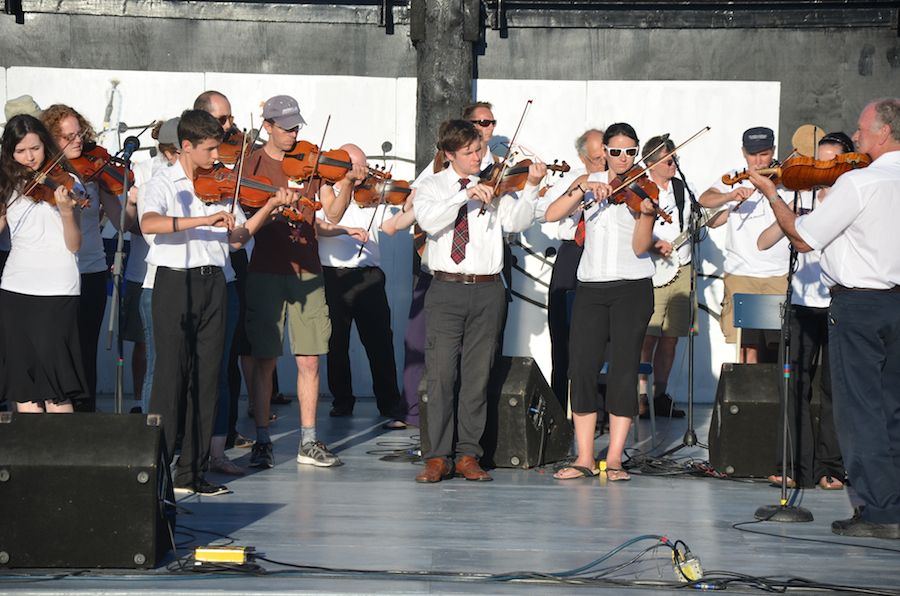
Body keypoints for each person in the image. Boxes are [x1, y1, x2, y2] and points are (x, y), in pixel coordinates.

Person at [752, 98, 900, 538]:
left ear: (884, 133)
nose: (856, 136)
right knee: (892, 411)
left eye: (862, 129)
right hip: (895, 303)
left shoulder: (860, 181)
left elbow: (803, 239)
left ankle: (881, 512)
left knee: (860, 413)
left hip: (860, 305)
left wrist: (773, 195)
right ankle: (891, 505)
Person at [140, 109, 292, 495]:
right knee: (170, 379)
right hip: (174, 283)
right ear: (186, 146)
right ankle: (156, 473)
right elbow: (149, 224)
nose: (215, 157)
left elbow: (236, 239)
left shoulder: (222, 184)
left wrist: (268, 209)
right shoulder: (162, 182)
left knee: (209, 378)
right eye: (209, 150)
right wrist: (203, 221)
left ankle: (191, 473)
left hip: (216, 283)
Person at [412, 119, 544, 483]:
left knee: (478, 375)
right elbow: (428, 221)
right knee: (441, 375)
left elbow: (517, 222)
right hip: (446, 288)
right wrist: (464, 195)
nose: (478, 156)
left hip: (488, 289)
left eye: (479, 148)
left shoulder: (495, 183)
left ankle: (468, 454)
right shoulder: (432, 186)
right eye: (469, 152)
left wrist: (531, 188)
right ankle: (438, 457)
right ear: (449, 154)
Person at [242, 94, 367, 470]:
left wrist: (347, 183)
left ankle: (308, 441)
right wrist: (273, 208)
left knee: (310, 359)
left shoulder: (314, 163)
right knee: (265, 359)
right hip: (266, 270)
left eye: (297, 127)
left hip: (308, 272)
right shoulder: (251, 164)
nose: (294, 134)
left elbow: (333, 212)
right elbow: (245, 224)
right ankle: (262, 440)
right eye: (286, 128)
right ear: (267, 126)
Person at [545, 123, 657, 481]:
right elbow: (551, 214)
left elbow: (640, 247)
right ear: (605, 152)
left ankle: (616, 458)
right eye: (616, 151)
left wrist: (647, 215)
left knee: (623, 371)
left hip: (632, 287)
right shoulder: (586, 182)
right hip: (591, 286)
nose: (623, 158)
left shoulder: (644, 188)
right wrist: (582, 188)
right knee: (581, 368)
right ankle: (584, 458)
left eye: (630, 152)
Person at [756, 132, 851, 491]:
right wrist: (788, 215)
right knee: (793, 386)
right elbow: (763, 242)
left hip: (838, 303)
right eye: (817, 161)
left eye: (830, 162)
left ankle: (831, 467)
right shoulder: (801, 197)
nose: (821, 169)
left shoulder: (850, 199)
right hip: (800, 303)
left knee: (833, 389)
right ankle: (792, 465)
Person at [40, 104, 139, 412]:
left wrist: (131, 203)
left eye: (79, 134)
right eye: (67, 136)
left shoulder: (95, 173)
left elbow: (122, 224)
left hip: (91, 271)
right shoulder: (43, 176)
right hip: (54, 275)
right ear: (51, 139)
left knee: (86, 351)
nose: (77, 141)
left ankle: (85, 415)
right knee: (56, 351)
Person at [0, 114, 86, 412]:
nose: (29, 157)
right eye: (20, 151)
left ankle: (61, 445)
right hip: (16, 286)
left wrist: (66, 212)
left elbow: (74, 245)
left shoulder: (68, 182)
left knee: (56, 386)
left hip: (58, 288)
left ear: (46, 146)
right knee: (24, 385)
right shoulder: (7, 183)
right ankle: (29, 444)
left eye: (35, 148)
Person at [317, 143, 401, 419]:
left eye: (365, 166)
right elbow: (319, 225)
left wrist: (409, 205)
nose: (365, 172)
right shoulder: (324, 190)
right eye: (359, 166)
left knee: (380, 341)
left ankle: (389, 402)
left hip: (368, 276)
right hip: (333, 274)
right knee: (336, 342)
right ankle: (342, 400)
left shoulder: (371, 194)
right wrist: (346, 229)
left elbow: (389, 226)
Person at [699, 127, 789, 363]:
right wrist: (730, 196)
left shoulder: (787, 180)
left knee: (777, 346)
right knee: (744, 345)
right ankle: (745, 387)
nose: (758, 162)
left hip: (779, 274)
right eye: (752, 155)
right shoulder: (734, 177)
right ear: (743, 153)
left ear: (773, 151)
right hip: (740, 273)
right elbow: (705, 199)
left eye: (764, 154)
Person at [535, 128, 605, 409]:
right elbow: (542, 212)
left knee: (602, 333)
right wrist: (573, 198)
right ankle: (559, 406)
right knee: (562, 330)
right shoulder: (571, 178)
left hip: (603, 255)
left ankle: (598, 405)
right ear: (582, 157)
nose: (603, 164)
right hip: (573, 253)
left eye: (606, 156)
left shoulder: (618, 179)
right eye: (597, 159)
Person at [637, 136, 696, 419]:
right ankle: (640, 395)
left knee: (671, 337)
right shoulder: (640, 189)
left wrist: (728, 203)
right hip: (651, 270)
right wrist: (652, 243)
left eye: (675, 159)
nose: (674, 164)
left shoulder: (683, 189)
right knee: (647, 336)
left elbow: (701, 218)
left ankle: (660, 394)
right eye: (668, 160)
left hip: (682, 268)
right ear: (651, 163)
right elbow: (631, 228)